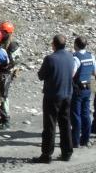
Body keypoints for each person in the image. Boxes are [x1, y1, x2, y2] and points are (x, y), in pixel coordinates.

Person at [32, 34, 75, 163]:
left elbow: (41, 75)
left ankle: (46, 154)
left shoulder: (50, 59)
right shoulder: (70, 56)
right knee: (65, 124)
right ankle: (67, 152)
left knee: (50, 126)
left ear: (54, 44)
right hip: (67, 95)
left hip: (52, 96)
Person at [70, 36, 96, 148]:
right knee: (86, 114)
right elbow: (95, 72)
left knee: (76, 115)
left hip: (77, 89)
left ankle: (75, 141)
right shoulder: (91, 56)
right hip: (87, 88)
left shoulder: (76, 57)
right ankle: (85, 139)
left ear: (75, 45)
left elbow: (72, 74)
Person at [0, 21, 21, 130]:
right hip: (1, 72)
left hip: (6, 74)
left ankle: (6, 120)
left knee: (3, 96)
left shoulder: (13, 45)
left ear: (8, 32)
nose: (0, 32)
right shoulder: (0, 42)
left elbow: (14, 61)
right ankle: (2, 118)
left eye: (3, 31)